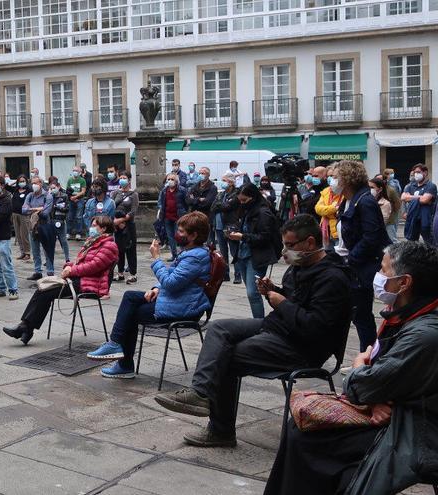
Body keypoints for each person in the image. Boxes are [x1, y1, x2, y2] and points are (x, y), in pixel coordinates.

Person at [154, 214, 353, 448]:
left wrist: (282, 303)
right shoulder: (301, 267)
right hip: (278, 327)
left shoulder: (333, 278)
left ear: (310, 243)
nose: (284, 252)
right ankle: (200, 393)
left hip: (302, 346)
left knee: (225, 355)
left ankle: (220, 430)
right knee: (219, 328)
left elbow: (315, 327)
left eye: (290, 246)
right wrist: (273, 291)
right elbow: (297, 300)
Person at [265, 241, 438, 494]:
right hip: (398, 409)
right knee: (304, 431)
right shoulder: (405, 314)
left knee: (308, 439)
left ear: (404, 282)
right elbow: (385, 378)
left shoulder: (423, 334)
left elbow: (364, 383)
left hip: (417, 427)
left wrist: (360, 369)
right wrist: (374, 397)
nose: (378, 277)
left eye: (384, 270)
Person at [87, 212, 212, 377]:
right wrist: (156, 288)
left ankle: (123, 362)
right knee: (130, 296)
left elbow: (171, 283)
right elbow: (172, 276)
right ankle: (116, 345)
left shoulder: (195, 257)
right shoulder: (190, 251)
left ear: (194, 235)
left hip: (184, 307)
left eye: (181, 231)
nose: (177, 234)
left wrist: (156, 259)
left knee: (130, 314)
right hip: (178, 299)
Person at [3, 216, 119, 345]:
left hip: (91, 284)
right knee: (44, 289)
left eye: (94, 225)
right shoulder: (93, 241)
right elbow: (80, 262)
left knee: (46, 291)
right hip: (80, 279)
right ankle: (26, 328)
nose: (91, 228)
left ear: (103, 229)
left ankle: (25, 328)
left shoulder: (109, 245)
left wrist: (71, 270)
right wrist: (69, 265)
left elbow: (93, 267)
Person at [334, 160, 391, 352]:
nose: (332, 181)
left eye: (336, 177)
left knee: (362, 315)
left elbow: (371, 237)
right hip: (354, 265)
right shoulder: (347, 200)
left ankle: (368, 358)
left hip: (362, 267)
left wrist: (351, 258)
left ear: (347, 179)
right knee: (358, 315)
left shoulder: (364, 201)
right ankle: (368, 355)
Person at [228, 183, 280, 318]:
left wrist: (243, 236)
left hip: (256, 256)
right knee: (251, 291)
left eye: (244, 200)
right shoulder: (247, 210)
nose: (242, 203)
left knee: (253, 292)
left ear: (253, 197)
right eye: (240, 200)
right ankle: (258, 321)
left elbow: (265, 237)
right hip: (243, 254)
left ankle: (259, 323)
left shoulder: (263, 212)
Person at [212, 172, 242, 284]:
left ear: (231, 182)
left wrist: (220, 205)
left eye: (225, 180)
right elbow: (213, 207)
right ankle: (225, 274)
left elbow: (228, 206)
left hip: (230, 225)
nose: (223, 183)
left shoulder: (236, 194)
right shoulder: (221, 194)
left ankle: (238, 275)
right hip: (219, 226)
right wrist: (220, 205)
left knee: (234, 252)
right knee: (223, 252)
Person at [22, 176, 54, 280]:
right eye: (32, 183)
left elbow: (45, 213)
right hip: (33, 226)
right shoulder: (30, 196)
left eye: (36, 183)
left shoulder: (48, 196)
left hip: (45, 226)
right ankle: (37, 272)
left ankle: (50, 271)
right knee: (35, 250)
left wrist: (32, 209)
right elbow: (23, 210)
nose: (34, 185)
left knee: (47, 249)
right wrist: (38, 208)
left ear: (41, 184)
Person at [110, 171, 139, 284]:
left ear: (129, 180)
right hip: (117, 227)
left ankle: (133, 274)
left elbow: (133, 211)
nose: (122, 179)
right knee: (119, 250)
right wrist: (114, 222)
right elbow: (111, 206)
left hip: (129, 225)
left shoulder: (133, 194)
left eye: (124, 178)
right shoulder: (115, 193)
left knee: (131, 249)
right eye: (121, 177)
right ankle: (120, 273)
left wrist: (121, 220)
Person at [402, 163, 436, 243]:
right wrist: (420, 197)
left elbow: (425, 200)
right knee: (412, 243)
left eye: (418, 172)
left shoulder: (431, 186)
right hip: (413, 219)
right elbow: (403, 197)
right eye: (414, 173)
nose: (416, 174)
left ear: (425, 173)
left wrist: (410, 197)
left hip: (426, 219)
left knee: (430, 242)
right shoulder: (410, 186)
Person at [157, 173, 187, 261]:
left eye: (172, 179)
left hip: (178, 217)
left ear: (177, 181)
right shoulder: (164, 190)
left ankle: (182, 255)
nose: (170, 181)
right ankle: (174, 255)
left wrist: (184, 212)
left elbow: (187, 203)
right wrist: (160, 210)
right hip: (167, 217)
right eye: (168, 179)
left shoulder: (182, 190)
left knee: (179, 236)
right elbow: (160, 202)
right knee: (170, 237)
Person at [315, 165, 343, 249]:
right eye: (328, 176)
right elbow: (318, 209)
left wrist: (326, 211)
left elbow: (341, 210)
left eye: (333, 176)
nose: (330, 178)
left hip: (338, 233)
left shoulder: (343, 191)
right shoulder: (326, 191)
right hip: (325, 230)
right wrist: (333, 208)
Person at [47, 177, 71, 263]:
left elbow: (67, 208)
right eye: (51, 188)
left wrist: (57, 207)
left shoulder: (64, 196)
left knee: (63, 240)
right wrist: (49, 196)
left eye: (54, 188)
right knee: (50, 241)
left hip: (60, 220)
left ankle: (67, 258)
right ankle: (49, 259)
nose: (53, 190)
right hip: (50, 221)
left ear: (58, 186)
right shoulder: (49, 197)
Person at [11, 175, 32, 261]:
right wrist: (14, 182)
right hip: (15, 214)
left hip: (24, 214)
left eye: (23, 181)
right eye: (20, 181)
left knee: (24, 234)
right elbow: (6, 186)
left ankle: (27, 252)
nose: (21, 183)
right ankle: (22, 252)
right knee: (18, 234)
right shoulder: (15, 190)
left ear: (26, 182)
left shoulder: (29, 191)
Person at [66, 166, 88, 241]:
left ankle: (78, 233)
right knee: (70, 216)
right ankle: (68, 232)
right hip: (71, 200)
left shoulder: (82, 180)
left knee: (79, 217)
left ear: (79, 172)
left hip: (80, 200)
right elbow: (68, 191)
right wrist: (71, 198)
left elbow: (83, 191)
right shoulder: (70, 180)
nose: (74, 172)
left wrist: (76, 197)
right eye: (73, 170)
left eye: (76, 171)